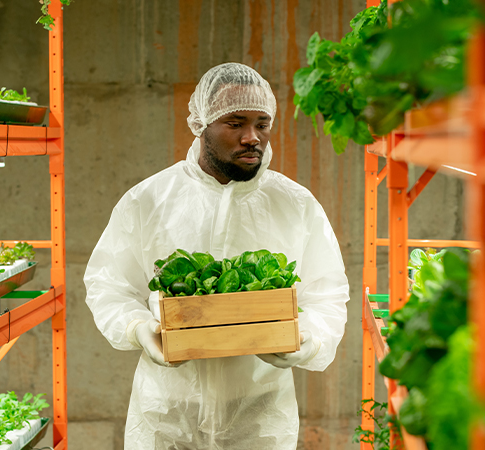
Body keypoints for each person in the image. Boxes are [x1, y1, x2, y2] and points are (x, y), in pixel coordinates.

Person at [84, 62, 349, 449]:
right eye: (235, 123)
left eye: (262, 124)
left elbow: (326, 295)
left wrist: (309, 340)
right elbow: (110, 285)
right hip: (168, 414)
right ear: (201, 125)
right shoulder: (150, 200)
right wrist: (139, 329)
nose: (252, 137)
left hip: (259, 415)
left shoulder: (295, 204)